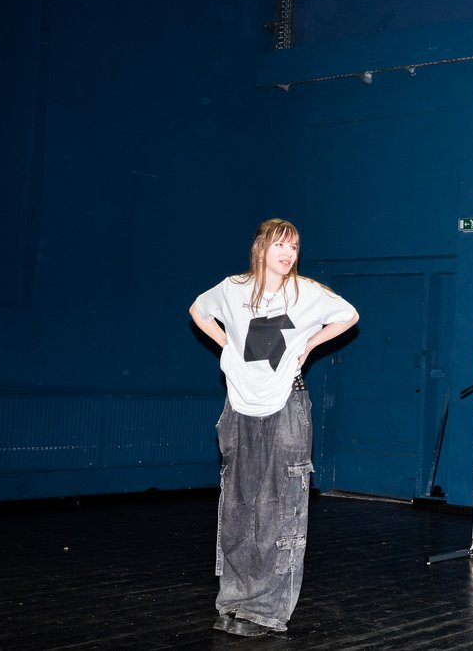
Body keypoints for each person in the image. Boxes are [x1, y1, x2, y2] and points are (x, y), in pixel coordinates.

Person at [189, 218, 359, 637]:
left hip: (286, 405)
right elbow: (197, 309)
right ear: (261, 248)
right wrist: (226, 344)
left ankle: (266, 609)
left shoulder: (307, 294)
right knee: (238, 508)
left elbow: (349, 316)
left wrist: (310, 344)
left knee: (279, 510)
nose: (288, 253)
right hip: (239, 404)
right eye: (281, 245)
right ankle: (233, 599)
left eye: (295, 247)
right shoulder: (233, 289)